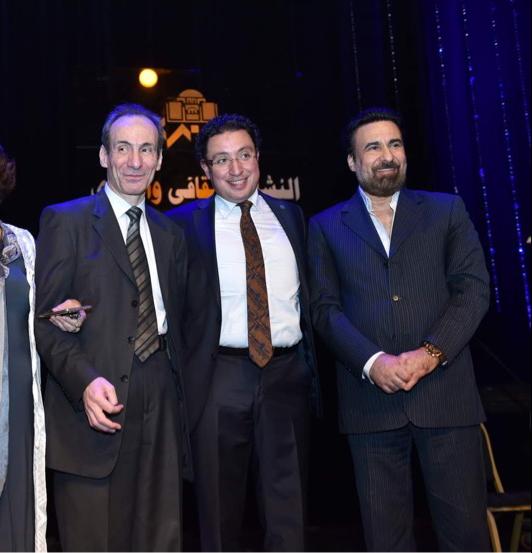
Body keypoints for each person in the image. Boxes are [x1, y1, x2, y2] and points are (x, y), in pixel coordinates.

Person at [307, 107, 491, 551]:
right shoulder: (325, 226)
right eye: (373, 147)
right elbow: (324, 309)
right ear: (352, 162)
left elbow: (473, 291)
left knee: (466, 537)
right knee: (386, 541)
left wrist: (429, 354)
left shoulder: (446, 210)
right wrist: (373, 363)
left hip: (446, 398)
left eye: (395, 144)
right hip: (370, 404)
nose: (387, 155)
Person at [34, 104, 190, 552]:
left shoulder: (171, 234)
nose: (135, 161)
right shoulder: (66, 221)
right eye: (123, 148)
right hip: (92, 403)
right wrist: (84, 381)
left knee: (160, 538)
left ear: (160, 159)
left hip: (161, 398)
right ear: (104, 156)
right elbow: (46, 324)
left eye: (146, 149)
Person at [167, 113, 320, 551]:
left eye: (244, 155)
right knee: (218, 514)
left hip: (287, 376)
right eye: (222, 159)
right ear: (205, 168)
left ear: (258, 158)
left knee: (289, 510)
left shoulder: (292, 217)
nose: (235, 169)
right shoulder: (181, 225)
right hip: (219, 377)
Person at [0, 145, 86, 552]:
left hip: (17, 401)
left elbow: (37, 314)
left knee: (15, 512)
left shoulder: (23, 243)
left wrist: (64, 314)